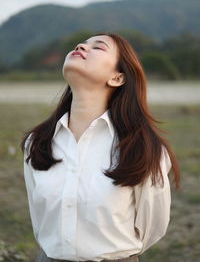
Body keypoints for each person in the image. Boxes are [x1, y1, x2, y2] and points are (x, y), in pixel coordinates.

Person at [21, 32, 180, 262]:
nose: (81, 47)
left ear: (117, 78)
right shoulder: (37, 142)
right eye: (82, 44)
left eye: (99, 47)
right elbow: (39, 220)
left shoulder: (142, 148)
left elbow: (152, 228)